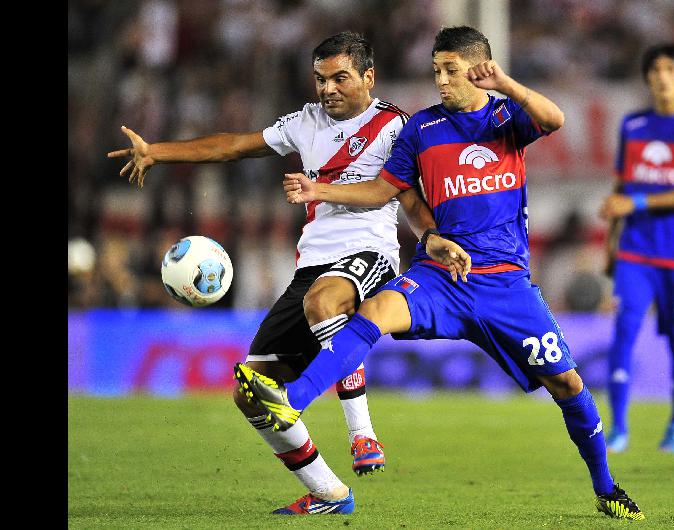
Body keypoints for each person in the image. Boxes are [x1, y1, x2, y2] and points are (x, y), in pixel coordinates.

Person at [235, 26, 644, 521]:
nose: (442, 82)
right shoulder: (422, 129)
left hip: (505, 285)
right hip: (442, 275)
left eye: (451, 71)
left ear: (478, 69)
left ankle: (607, 488)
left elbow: (553, 118)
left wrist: (506, 84)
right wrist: (321, 192)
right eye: (436, 71)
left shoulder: (506, 117)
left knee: (569, 387)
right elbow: (384, 190)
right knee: (374, 310)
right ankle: (293, 400)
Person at [107, 31, 470, 515]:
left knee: (324, 302)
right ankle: (328, 493)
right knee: (252, 393)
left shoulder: (394, 126)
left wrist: (429, 239)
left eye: (340, 78)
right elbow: (233, 146)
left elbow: (404, 197)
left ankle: (362, 434)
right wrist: (158, 151)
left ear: (368, 77)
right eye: (321, 79)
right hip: (312, 268)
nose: (328, 89)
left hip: (370, 256)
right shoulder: (304, 122)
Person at [598, 43, 674, 454]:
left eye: (670, 68)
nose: (662, 75)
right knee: (623, 333)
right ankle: (617, 428)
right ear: (647, 78)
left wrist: (636, 203)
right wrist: (611, 246)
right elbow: (620, 187)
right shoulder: (633, 125)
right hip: (635, 250)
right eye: (655, 69)